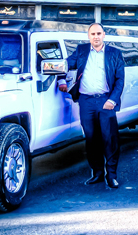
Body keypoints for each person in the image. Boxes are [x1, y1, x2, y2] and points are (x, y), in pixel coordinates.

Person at [58, 23, 126, 188]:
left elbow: (120, 80)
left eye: (98, 33)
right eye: (92, 34)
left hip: (105, 101)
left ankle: (112, 175)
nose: (96, 37)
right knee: (91, 139)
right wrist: (61, 79)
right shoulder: (81, 51)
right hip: (86, 102)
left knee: (110, 139)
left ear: (104, 35)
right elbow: (64, 64)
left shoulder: (115, 54)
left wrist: (112, 100)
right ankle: (97, 174)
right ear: (88, 36)